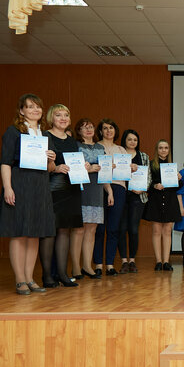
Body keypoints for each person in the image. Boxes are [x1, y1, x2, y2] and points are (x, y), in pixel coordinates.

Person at [0, 94, 56, 295]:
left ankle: (30, 278)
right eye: (29, 107)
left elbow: (51, 168)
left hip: (40, 188)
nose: (34, 110)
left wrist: (51, 159)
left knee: (35, 234)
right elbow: (5, 162)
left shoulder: (46, 136)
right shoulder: (13, 132)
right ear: (21, 111)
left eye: (37, 107)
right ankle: (19, 279)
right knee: (19, 233)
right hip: (19, 186)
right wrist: (8, 188)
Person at [40, 104, 85, 288]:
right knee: (50, 231)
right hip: (53, 189)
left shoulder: (72, 140)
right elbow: (37, 162)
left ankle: (62, 273)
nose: (63, 118)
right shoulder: (44, 136)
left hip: (72, 188)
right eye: (58, 115)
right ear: (51, 117)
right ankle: (47, 276)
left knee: (65, 230)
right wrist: (55, 167)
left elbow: (75, 162)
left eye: (66, 114)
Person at [72, 118, 112, 280]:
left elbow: (104, 174)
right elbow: (73, 168)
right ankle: (75, 267)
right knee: (79, 230)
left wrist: (109, 191)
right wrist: (88, 169)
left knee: (92, 230)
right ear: (78, 131)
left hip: (97, 191)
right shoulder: (76, 146)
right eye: (84, 127)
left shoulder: (100, 148)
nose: (88, 129)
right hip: (80, 191)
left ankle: (87, 266)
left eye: (91, 126)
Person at [94, 118, 133, 276]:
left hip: (119, 188)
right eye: (105, 128)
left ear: (115, 131)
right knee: (99, 228)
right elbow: (100, 171)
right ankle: (97, 264)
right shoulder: (97, 147)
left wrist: (132, 167)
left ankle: (109, 264)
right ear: (101, 131)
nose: (108, 131)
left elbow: (126, 173)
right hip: (100, 188)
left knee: (113, 228)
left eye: (111, 128)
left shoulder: (121, 150)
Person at [143, 140, 181, 271]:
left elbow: (177, 187)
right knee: (156, 231)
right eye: (161, 148)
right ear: (156, 150)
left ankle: (166, 261)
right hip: (156, 200)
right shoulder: (151, 165)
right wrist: (154, 185)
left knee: (167, 231)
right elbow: (147, 183)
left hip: (170, 200)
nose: (163, 150)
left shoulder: (172, 166)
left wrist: (179, 179)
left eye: (166, 148)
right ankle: (158, 261)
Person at [118, 129, 148, 274]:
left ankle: (132, 261)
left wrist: (143, 188)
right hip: (121, 195)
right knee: (122, 229)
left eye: (135, 140)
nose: (132, 142)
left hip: (138, 197)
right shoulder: (119, 155)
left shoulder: (143, 156)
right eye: (129, 139)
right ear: (124, 140)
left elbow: (148, 176)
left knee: (134, 230)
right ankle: (124, 261)